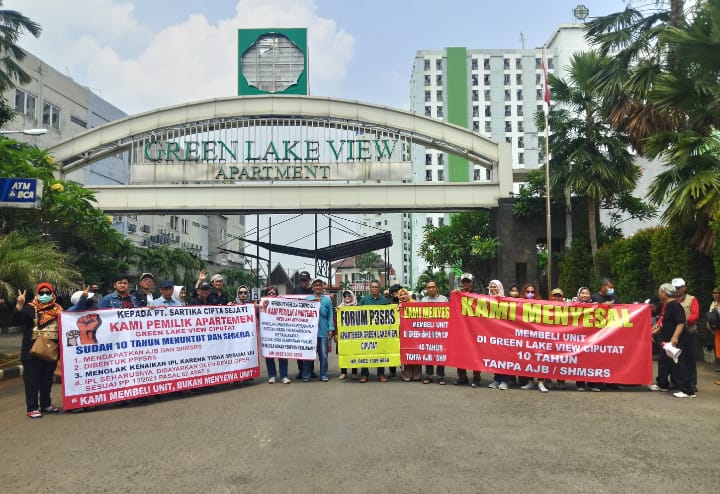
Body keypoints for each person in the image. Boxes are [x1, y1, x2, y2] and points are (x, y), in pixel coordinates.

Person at [13, 283, 63, 418]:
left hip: (51, 351)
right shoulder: (30, 308)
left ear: (53, 294)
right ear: (37, 294)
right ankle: (32, 407)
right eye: (41, 293)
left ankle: (46, 404)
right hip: (31, 352)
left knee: (47, 380)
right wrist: (19, 306)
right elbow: (17, 320)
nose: (45, 295)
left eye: (48, 292)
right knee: (32, 381)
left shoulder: (59, 310)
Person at [650, 283, 695, 398]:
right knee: (663, 362)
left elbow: (681, 322)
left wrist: (675, 337)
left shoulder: (675, 306)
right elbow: (667, 323)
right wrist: (656, 331)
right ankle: (662, 384)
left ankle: (687, 391)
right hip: (667, 341)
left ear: (664, 292)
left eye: (660, 291)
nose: (659, 294)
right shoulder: (668, 305)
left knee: (679, 364)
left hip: (676, 340)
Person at [518, 283, 550, 392]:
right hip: (526, 336)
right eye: (528, 292)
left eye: (532, 292)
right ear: (524, 292)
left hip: (538, 336)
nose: (530, 294)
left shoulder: (541, 304)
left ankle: (541, 383)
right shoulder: (518, 303)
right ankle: (530, 382)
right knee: (529, 359)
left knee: (540, 359)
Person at [453, 273, 483, 387]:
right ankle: (462, 377)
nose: (466, 283)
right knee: (460, 353)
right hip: (461, 328)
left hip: (475, 328)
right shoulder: (458, 294)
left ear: (472, 282)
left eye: (468, 281)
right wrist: (455, 295)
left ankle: (476, 378)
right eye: (464, 281)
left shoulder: (478, 294)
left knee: (475, 353)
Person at [671, 278, 699, 393]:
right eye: (675, 288)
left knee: (689, 358)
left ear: (684, 288)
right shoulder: (671, 300)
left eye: (679, 288)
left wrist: (683, 322)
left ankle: (692, 383)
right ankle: (675, 382)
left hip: (689, 333)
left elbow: (695, 314)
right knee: (674, 359)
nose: (677, 290)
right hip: (674, 334)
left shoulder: (691, 299)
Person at [358, 280, 389, 383]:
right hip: (366, 332)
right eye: (372, 287)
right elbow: (356, 313)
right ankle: (364, 374)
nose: (374, 289)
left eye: (376, 287)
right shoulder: (364, 300)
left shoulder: (384, 301)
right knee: (365, 352)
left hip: (380, 332)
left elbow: (389, 314)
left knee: (380, 352)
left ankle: (381, 374)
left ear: (379, 288)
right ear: (370, 288)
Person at [303, 279, 334, 382]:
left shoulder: (327, 300)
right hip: (310, 332)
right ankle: (306, 375)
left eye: (320, 285)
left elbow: (330, 315)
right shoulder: (308, 299)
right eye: (315, 285)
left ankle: (323, 374)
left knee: (324, 355)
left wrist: (331, 329)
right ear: (312, 287)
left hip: (323, 331)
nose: (318, 287)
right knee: (308, 355)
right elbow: (303, 314)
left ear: (322, 287)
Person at [485, 280, 512, 390]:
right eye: (491, 287)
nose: (493, 289)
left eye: (495, 287)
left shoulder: (507, 301)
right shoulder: (485, 301)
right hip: (492, 333)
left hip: (504, 334)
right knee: (495, 357)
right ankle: (497, 379)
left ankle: (505, 380)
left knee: (504, 357)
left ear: (500, 287)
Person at [573, 287, 600, 392]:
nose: (585, 295)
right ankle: (580, 383)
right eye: (582, 293)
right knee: (580, 360)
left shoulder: (595, 305)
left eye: (587, 293)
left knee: (591, 360)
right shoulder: (572, 304)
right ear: (579, 294)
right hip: (578, 337)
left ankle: (592, 383)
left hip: (591, 337)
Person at [421, 279, 448, 385]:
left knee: (440, 354)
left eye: (432, 287)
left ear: (436, 288)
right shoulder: (423, 300)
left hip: (441, 331)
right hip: (428, 331)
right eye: (429, 287)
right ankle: (429, 375)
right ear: (427, 289)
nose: (431, 289)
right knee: (429, 354)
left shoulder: (444, 299)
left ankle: (441, 376)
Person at [263, 286, 290, 384]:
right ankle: (272, 375)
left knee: (282, 354)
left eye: (273, 293)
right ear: (266, 295)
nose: (271, 295)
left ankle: (284, 376)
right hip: (267, 333)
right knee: (269, 355)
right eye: (269, 293)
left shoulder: (282, 304)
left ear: (277, 295)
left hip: (280, 333)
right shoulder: (263, 304)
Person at [293, 271, 315, 378]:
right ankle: (301, 370)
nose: (303, 282)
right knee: (299, 349)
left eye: (305, 280)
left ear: (309, 280)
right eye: (301, 280)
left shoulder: (313, 291)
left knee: (310, 348)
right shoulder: (295, 290)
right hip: (298, 325)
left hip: (311, 324)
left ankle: (311, 370)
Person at [398, 287, 422, 382]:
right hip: (403, 334)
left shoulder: (416, 304)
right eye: (401, 295)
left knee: (415, 353)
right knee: (405, 353)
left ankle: (417, 374)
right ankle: (406, 374)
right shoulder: (398, 306)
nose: (403, 296)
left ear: (408, 295)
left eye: (405, 294)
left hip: (415, 333)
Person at [336, 289, 358, 381]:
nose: (347, 298)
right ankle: (343, 372)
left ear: (352, 296)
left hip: (354, 334)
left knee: (354, 353)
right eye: (345, 296)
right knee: (343, 353)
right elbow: (336, 322)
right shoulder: (339, 308)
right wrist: (336, 334)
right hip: (343, 335)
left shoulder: (357, 308)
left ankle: (354, 373)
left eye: (349, 296)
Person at [707, 286, 720, 384]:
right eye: (714, 293)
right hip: (717, 330)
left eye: (718, 293)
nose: (716, 295)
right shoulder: (713, 304)